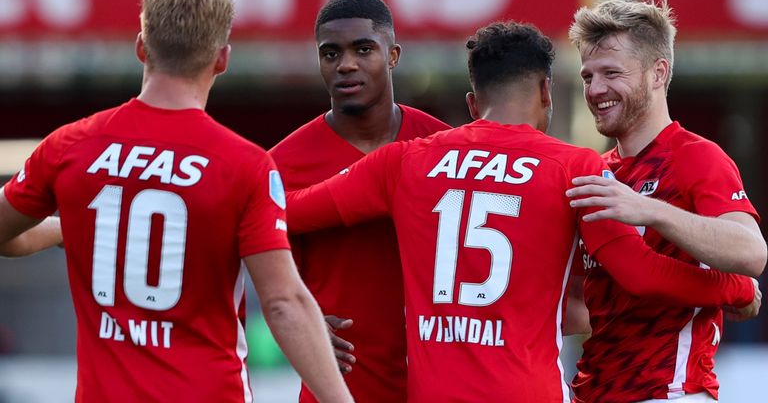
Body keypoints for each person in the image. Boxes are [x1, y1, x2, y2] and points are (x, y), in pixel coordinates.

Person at [285, 20, 758, 402]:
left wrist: (307, 312)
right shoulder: (575, 167)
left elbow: (282, 214)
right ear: (547, 93)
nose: (595, 88)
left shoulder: (403, 160)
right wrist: (731, 288)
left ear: (473, 103)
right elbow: (638, 276)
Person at [0, 0, 352, 402]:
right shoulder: (243, 165)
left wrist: (67, 228)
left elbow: (6, 234)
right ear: (222, 58)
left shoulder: (72, 146)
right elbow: (283, 303)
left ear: (141, 47)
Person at [566, 0, 766, 403]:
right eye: (588, 76)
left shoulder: (695, 155)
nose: (596, 89)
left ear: (659, 73)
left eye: (611, 73)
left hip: (670, 392)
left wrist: (652, 210)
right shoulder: (597, 172)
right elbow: (585, 300)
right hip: (592, 391)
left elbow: (752, 253)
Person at [268, 0, 450, 402]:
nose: (346, 64)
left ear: (393, 55)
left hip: (439, 383)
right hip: (338, 384)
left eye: (363, 49)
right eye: (330, 53)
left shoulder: (444, 148)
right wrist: (298, 325)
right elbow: (266, 279)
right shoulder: (280, 164)